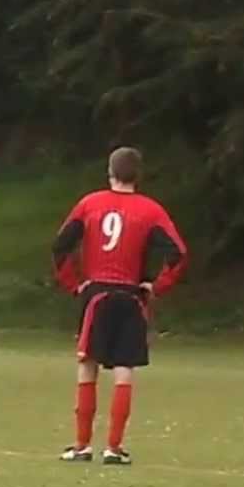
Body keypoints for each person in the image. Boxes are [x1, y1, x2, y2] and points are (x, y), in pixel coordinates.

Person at [51, 146, 187, 465]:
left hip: (96, 294)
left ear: (109, 172)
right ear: (138, 175)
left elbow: (60, 246)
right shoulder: (151, 210)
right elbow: (178, 254)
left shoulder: (89, 204)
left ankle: (82, 445)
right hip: (131, 296)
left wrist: (74, 284)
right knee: (124, 370)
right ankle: (114, 448)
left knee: (88, 364)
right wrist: (157, 286)